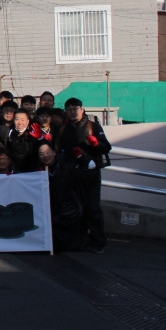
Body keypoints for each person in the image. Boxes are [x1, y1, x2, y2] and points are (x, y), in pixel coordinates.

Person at [58, 97, 111, 253]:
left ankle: (98, 242)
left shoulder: (92, 126)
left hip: (90, 173)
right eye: (69, 109)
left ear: (82, 109)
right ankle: (80, 241)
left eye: (76, 108)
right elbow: (58, 150)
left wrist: (96, 144)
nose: (73, 112)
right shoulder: (63, 129)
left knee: (93, 208)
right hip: (71, 173)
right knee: (76, 208)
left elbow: (106, 147)